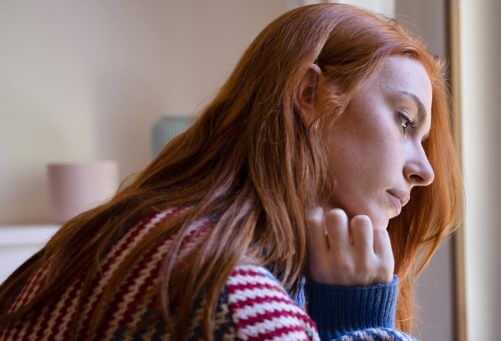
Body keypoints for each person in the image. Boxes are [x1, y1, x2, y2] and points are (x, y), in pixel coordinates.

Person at [0, 3, 463, 340]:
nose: (425, 172)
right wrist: (362, 325)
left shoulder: (141, 236)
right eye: (405, 121)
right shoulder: (232, 299)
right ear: (309, 94)